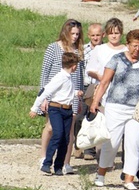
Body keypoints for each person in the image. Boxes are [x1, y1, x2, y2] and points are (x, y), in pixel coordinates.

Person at [89, 30, 139, 190]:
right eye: (134, 45)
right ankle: (101, 174)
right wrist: (95, 101)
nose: (137, 49)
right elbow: (104, 82)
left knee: (134, 143)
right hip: (115, 106)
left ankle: (129, 177)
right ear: (128, 44)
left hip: (136, 109)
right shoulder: (117, 59)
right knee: (112, 141)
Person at [38, 19, 84, 175]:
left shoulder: (78, 50)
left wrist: (79, 97)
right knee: (51, 127)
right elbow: (45, 72)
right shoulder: (53, 48)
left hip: (72, 96)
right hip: (54, 96)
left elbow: (79, 75)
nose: (75, 37)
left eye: (78, 34)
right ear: (66, 32)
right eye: (72, 34)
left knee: (69, 131)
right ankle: (44, 157)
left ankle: (65, 161)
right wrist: (44, 96)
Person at [30, 52, 81, 175]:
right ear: (73, 66)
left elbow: (65, 92)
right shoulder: (60, 77)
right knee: (58, 134)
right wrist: (35, 108)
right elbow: (45, 91)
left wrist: (75, 94)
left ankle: (59, 166)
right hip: (56, 109)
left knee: (65, 139)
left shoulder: (68, 78)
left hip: (67, 109)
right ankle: (47, 163)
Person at [81, 22, 103, 160]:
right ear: (89, 35)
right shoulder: (83, 50)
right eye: (93, 35)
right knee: (80, 117)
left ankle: (91, 149)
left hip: (101, 86)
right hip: (86, 85)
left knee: (95, 117)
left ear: (103, 35)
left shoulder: (106, 49)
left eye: (98, 35)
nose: (95, 38)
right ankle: (80, 144)